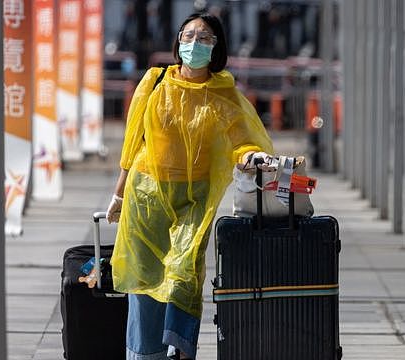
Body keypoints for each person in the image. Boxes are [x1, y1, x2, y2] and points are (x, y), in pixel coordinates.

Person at [87, 12, 273, 359]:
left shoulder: (222, 93)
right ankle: (144, 354)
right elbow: (133, 143)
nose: (194, 44)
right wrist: (118, 193)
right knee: (144, 281)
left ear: (216, 48)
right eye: (188, 36)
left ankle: (180, 350)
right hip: (147, 197)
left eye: (204, 39)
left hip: (194, 201)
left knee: (184, 275)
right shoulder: (155, 82)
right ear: (177, 42)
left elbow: (243, 138)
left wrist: (250, 156)